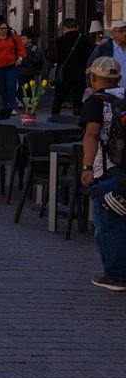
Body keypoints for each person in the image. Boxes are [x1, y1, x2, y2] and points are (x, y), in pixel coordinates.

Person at [79, 57, 126, 291]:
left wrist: (87, 168)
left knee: (107, 224)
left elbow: (92, 135)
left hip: (108, 171)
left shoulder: (96, 101)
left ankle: (116, 276)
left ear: (94, 78)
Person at [53, 18, 94, 116]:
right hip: (80, 72)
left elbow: (53, 57)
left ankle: (53, 117)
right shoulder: (85, 40)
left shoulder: (59, 41)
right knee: (78, 99)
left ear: (64, 28)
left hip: (64, 73)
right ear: (77, 27)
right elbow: (90, 56)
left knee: (58, 98)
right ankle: (77, 120)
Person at [90, 21, 126, 91]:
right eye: (121, 31)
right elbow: (91, 66)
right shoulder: (103, 49)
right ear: (112, 33)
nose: (125, 33)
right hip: (111, 91)